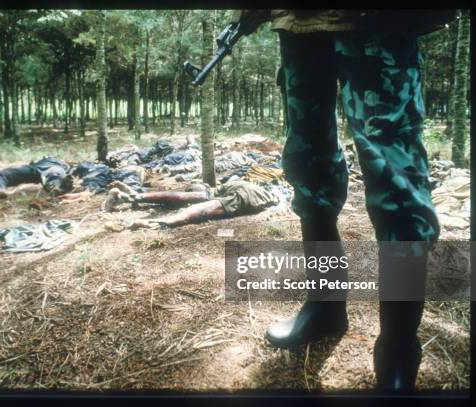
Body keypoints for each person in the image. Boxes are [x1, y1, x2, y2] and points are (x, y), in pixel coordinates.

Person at [230, 9, 457, 390]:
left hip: (378, 19)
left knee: (397, 183)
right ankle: (325, 306)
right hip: (299, 22)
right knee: (308, 166)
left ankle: (399, 348)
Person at [102, 179, 278, 229]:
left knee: (196, 204)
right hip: (244, 188)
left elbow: (194, 204)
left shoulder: (218, 191)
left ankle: (131, 198)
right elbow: (182, 198)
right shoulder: (214, 190)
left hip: (247, 192)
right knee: (189, 201)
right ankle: (130, 198)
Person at [0, 156, 73, 201]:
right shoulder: (59, 165)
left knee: (3, 175)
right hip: (53, 170)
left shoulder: (49, 161)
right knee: (54, 175)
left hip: (35, 170)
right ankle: (57, 185)